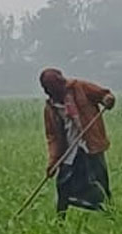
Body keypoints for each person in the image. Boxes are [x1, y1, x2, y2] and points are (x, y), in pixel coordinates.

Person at [40, 68, 116, 218]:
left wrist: (108, 100)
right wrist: (53, 162)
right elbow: (53, 137)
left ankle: (109, 214)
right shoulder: (51, 108)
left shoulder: (80, 87)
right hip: (69, 150)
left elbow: (105, 95)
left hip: (90, 146)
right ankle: (60, 221)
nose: (57, 92)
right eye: (52, 90)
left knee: (99, 183)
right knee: (63, 185)